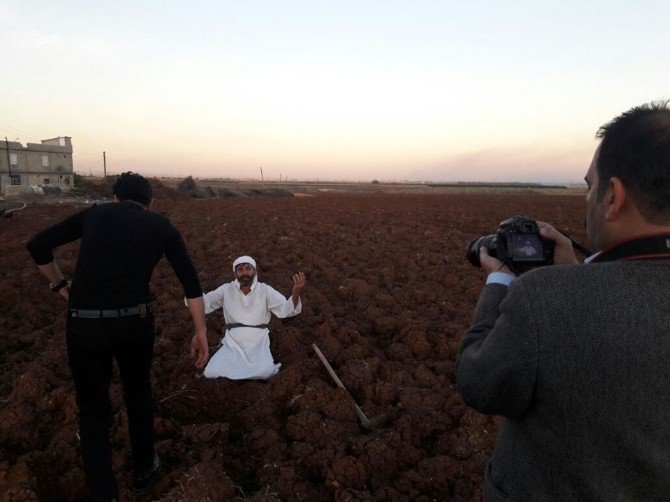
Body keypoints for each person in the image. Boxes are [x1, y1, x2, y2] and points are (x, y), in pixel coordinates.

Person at [457, 101, 670, 501]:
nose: (588, 198)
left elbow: (478, 382)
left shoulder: (545, 298)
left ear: (614, 198)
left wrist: (500, 281)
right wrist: (580, 271)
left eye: (591, 186)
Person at [27, 172, 209, 502]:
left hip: (84, 323)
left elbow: (37, 245)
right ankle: (144, 471)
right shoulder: (161, 225)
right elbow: (191, 286)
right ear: (150, 202)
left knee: (92, 407)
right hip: (134, 322)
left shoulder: (94, 213)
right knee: (138, 393)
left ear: (115, 198)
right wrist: (200, 333)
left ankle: (104, 493)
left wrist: (60, 286)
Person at [192, 255, 306, 380]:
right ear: (235, 274)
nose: (244, 272)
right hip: (233, 341)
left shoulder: (265, 290)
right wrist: (191, 287)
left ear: (255, 271)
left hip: (257, 340)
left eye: (248, 268)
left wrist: (296, 293)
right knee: (211, 372)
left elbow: (286, 310)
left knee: (265, 372)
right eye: (240, 270)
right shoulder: (226, 289)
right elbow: (205, 304)